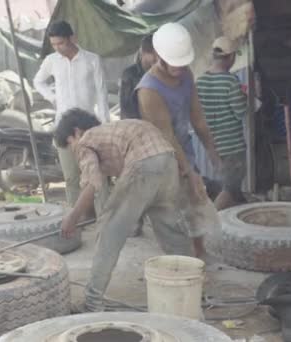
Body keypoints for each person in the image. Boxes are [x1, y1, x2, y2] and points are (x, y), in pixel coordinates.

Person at [55, 108, 193, 312]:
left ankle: (92, 302)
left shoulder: (86, 140)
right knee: (172, 232)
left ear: (76, 132)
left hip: (144, 161)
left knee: (109, 229)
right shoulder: (114, 130)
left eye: (69, 143)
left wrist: (73, 217)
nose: (73, 150)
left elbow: (92, 183)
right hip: (167, 159)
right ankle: (192, 292)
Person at [136, 22, 221, 258]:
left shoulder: (186, 74)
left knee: (194, 203)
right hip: (160, 155)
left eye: (184, 63)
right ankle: (179, 261)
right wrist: (189, 172)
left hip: (183, 147)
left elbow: (198, 118)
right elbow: (167, 136)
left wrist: (213, 152)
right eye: (175, 63)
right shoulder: (149, 90)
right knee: (171, 211)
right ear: (159, 56)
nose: (180, 68)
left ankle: (198, 252)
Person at [33, 20, 110, 207]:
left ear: (72, 38)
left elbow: (102, 95)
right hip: (63, 126)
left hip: (89, 127)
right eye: (54, 45)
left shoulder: (92, 60)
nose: (58, 48)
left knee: (98, 174)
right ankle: (78, 221)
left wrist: (106, 125)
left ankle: (105, 217)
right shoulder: (51, 61)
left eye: (62, 43)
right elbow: (38, 81)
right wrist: (52, 97)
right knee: (71, 178)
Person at [196, 36, 248, 210]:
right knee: (230, 190)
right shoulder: (230, 81)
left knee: (230, 187)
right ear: (231, 57)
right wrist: (246, 97)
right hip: (233, 147)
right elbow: (240, 111)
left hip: (213, 146)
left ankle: (237, 218)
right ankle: (212, 222)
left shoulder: (200, 81)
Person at [119, 34, 157, 119]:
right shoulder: (130, 74)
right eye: (154, 55)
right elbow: (126, 109)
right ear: (143, 53)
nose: (157, 59)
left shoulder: (160, 72)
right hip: (138, 125)